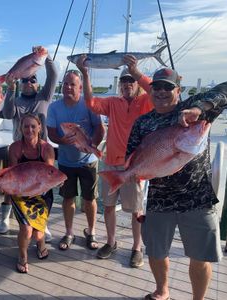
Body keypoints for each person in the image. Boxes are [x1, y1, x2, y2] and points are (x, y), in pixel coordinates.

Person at [126, 68, 227, 299]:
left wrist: (199, 109)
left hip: (197, 197)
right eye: (157, 86)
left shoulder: (194, 110)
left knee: (201, 256)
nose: (162, 91)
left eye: (168, 87)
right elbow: (133, 160)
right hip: (158, 199)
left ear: (179, 90)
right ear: (151, 90)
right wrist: (137, 201)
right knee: (156, 252)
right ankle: (162, 290)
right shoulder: (142, 123)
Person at [75, 54, 153, 267]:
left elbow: (154, 90)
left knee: (136, 210)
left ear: (137, 84)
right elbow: (90, 102)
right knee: (108, 206)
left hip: (134, 165)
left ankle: (137, 247)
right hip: (110, 162)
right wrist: (85, 72)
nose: (127, 84)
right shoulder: (112, 103)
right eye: (124, 81)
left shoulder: (146, 101)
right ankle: (111, 242)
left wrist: (136, 71)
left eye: (131, 81)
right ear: (120, 85)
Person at [0, 46, 58, 239]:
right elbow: (7, 114)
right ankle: (4, 217)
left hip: (41, 150)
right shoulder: (15, 101)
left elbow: (54, 75)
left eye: (33, 79)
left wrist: (46, 57)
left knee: (43, 185)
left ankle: (42, 222)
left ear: (37, 83)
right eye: (25, 80)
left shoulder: (45, 97)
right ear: (21, 83)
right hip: (19, 149)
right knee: (11, 182)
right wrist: (10, 89)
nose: (29, 82)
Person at [46, 69, 103, 251]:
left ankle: (91, 231)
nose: (69, 87)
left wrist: (91, 144)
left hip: (89, 160)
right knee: (67, 198)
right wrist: (62, 140)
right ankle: (69, 232)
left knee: (89, 198)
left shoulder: (89, 105)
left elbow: (100, 128)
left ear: (80, 87)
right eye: (66, 84)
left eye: (73, 84)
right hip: (65, 161)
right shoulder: (54, 107)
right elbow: (52, 133)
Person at [7, 113, 56, 273]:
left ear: (40, 128)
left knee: (39, 228)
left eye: (33, 126)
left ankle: (40, 243)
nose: (29, 129)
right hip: (20, 192)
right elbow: (12, 174)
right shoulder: (15, 147)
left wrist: (35, 191)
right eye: (26, 126)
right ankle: (22, 255)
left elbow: (48, 176)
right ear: (21, 128)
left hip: (42, 192)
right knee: (27, 229)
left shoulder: (47, 148)